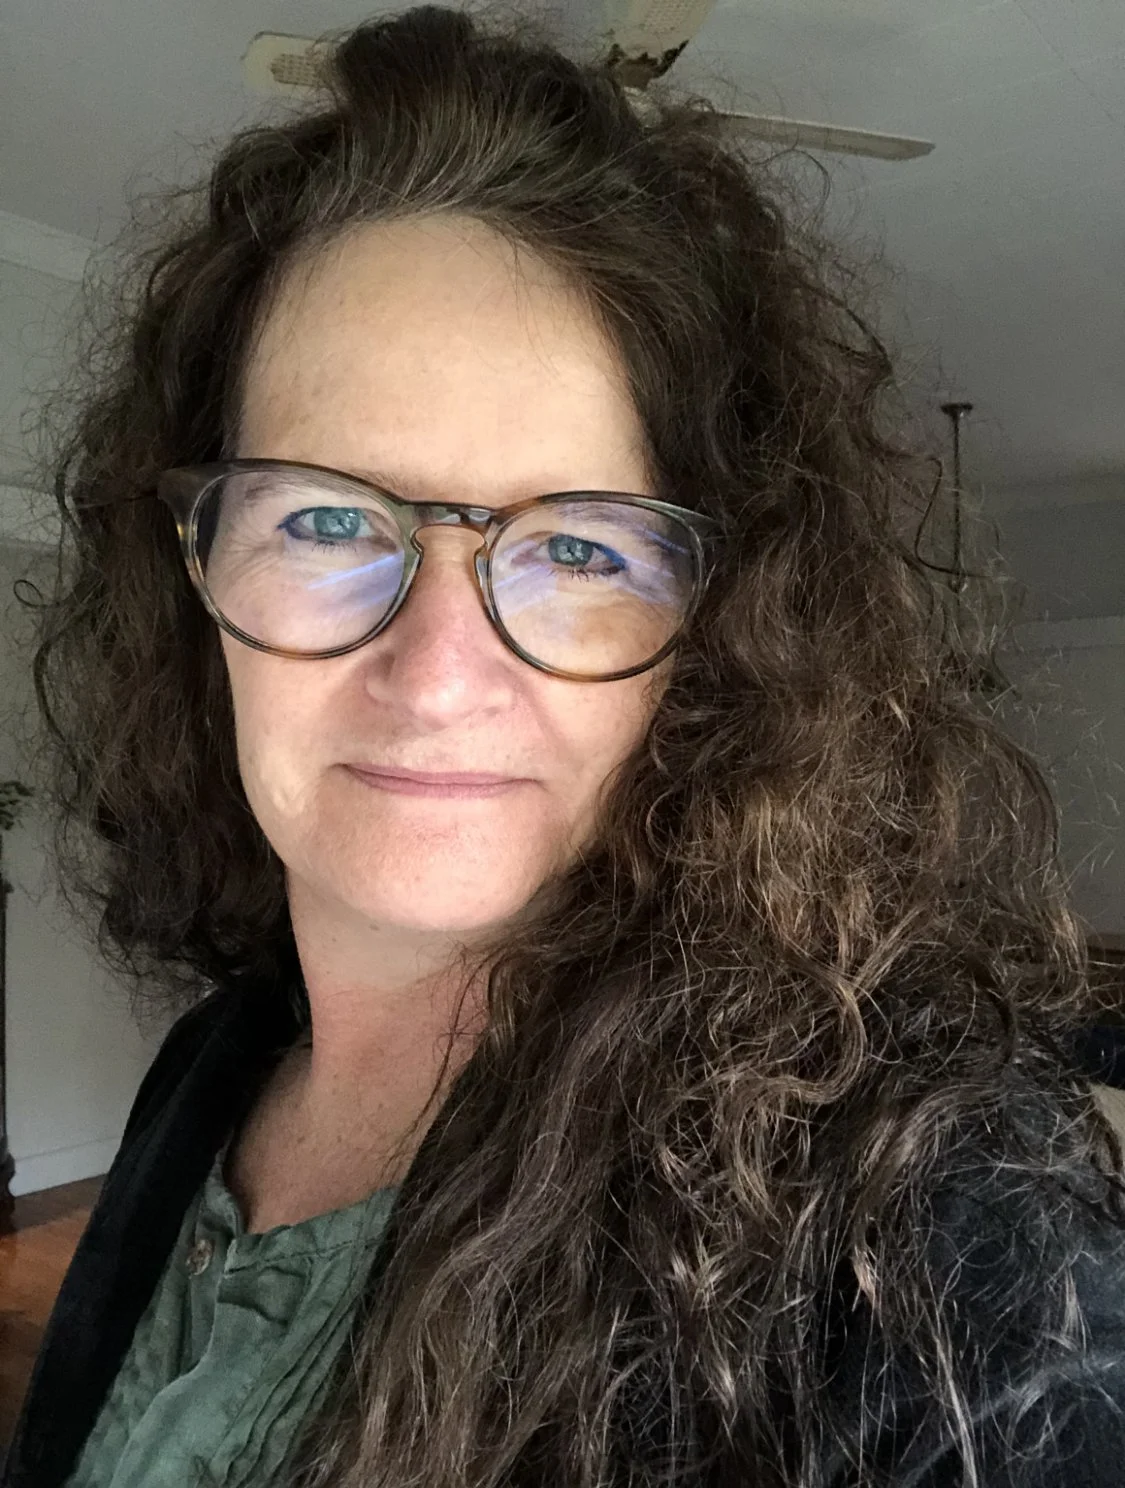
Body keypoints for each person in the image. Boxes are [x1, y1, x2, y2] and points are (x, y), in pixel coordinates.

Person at [6, 7, 1125, 1486]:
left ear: (718, 631)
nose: (439, 668)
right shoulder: (214, 1068)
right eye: (330, 520)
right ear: (196, 573)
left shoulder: (920, 1229)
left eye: (582, 550)